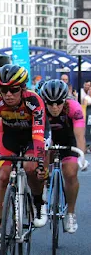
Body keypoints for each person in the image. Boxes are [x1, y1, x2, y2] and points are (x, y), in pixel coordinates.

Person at [0, 64, 48, 252]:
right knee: (3, 176)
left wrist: (39, 161)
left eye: (13, 90)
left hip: (31, 137)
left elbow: (38, 136)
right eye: (3, 90)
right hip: (9, 137)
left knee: (31, 169)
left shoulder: (34, 101)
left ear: (23, 89)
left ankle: (38, 203)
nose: (8, 95)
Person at [40, 79, 87, 233]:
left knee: (70, 172)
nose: (54, 107)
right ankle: (43, 193)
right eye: (50, 103)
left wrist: (81, 157)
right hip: (48, 137)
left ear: (64, 100)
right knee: (41, 165)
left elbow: (80, 137)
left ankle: (70, 213)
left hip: (69, 139)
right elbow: (38, 137)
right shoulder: (39, 108)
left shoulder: (74, 107)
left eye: (58, 103)